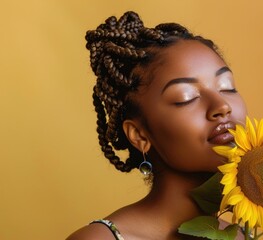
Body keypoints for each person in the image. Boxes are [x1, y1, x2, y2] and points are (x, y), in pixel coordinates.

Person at [67, 11, 247, 240]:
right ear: (139, 135)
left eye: (227, 87)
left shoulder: (244, 235)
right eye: (186, 96)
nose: (222, 106)